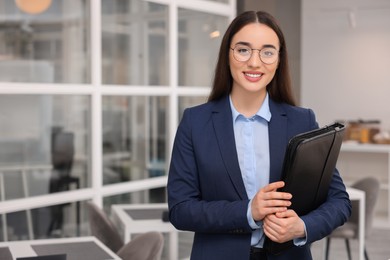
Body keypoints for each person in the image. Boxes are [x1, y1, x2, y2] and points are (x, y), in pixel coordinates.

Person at [167, 10, 351, 260]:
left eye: (267, 52)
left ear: (278, 59)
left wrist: (303, 227)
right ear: (227, 55)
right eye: (243, 50)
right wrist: (248, 211)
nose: (255, 62)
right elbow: (180, 209)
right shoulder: (195, 121)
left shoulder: (302, 120)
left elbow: (339, 200)